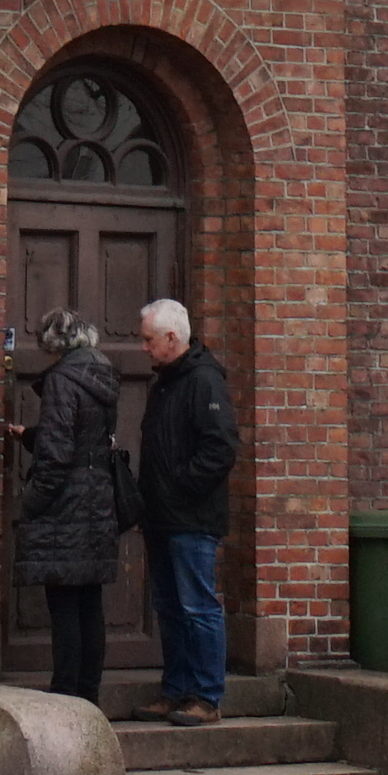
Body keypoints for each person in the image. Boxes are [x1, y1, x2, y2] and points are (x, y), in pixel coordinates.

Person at [132, 296, 240, 722]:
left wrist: (178, 489)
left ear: (172, 338)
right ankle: (175, 689)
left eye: (148, 340)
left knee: (197, 606)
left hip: (191, 518)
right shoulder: (168, 381)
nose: (144, 348)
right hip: (163, 516)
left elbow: (220, 448)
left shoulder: (203, 381)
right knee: (171, 607)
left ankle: (206, 695)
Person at [11, 309, 126, 705]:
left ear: (54, 344)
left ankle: (65, 696)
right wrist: (33, 436)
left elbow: (58, 457)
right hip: (97, 500)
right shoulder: (103, 374)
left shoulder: (62, 380)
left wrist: (29, 503)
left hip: (65, 508)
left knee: (63, 605)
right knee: (89, 602)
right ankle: (88, 695)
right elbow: (85, 438)